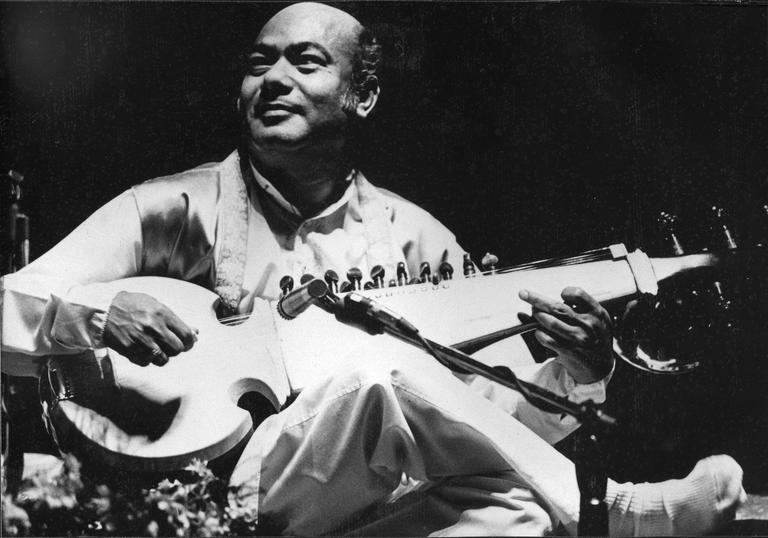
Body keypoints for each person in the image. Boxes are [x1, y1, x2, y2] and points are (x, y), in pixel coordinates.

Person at [0, 3, 745, 535]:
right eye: (259, 63)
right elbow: (8, 305)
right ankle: (614, 514)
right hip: (212, 495)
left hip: (359, 510)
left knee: (509, 509)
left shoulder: (414, 236)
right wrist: (95, 315)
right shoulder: (171, 209)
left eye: (306, 60)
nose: (274, 79)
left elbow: (482, 423)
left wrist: (577, 371)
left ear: (364, 94)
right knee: (380, 371)